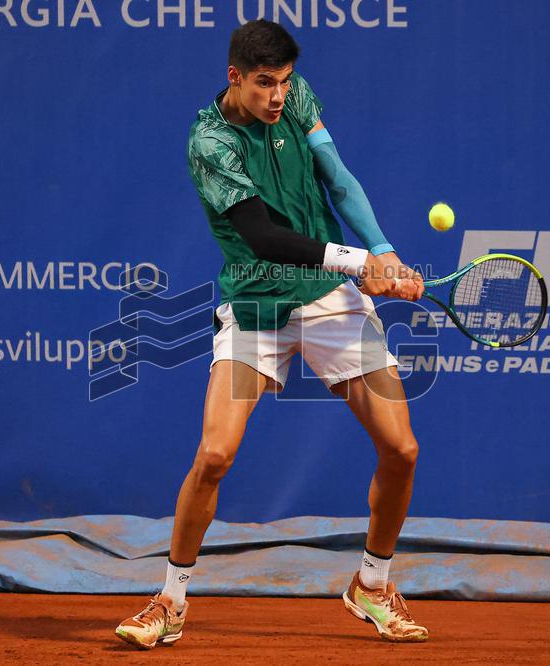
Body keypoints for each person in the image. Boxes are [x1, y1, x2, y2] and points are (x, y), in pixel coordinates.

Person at [115, 19, 428, 649]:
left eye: (284, 81)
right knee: (214, 455)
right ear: (235, 77)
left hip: (329, 303)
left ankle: (372, 584)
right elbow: (262, 236)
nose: (278, 95)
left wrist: (384, 250)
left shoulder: (298, 97)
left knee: (401, 450)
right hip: (256, 307)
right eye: (265, 84)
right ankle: (170, 601)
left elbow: (337, 176)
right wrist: (357, 263)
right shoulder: (211, 141)